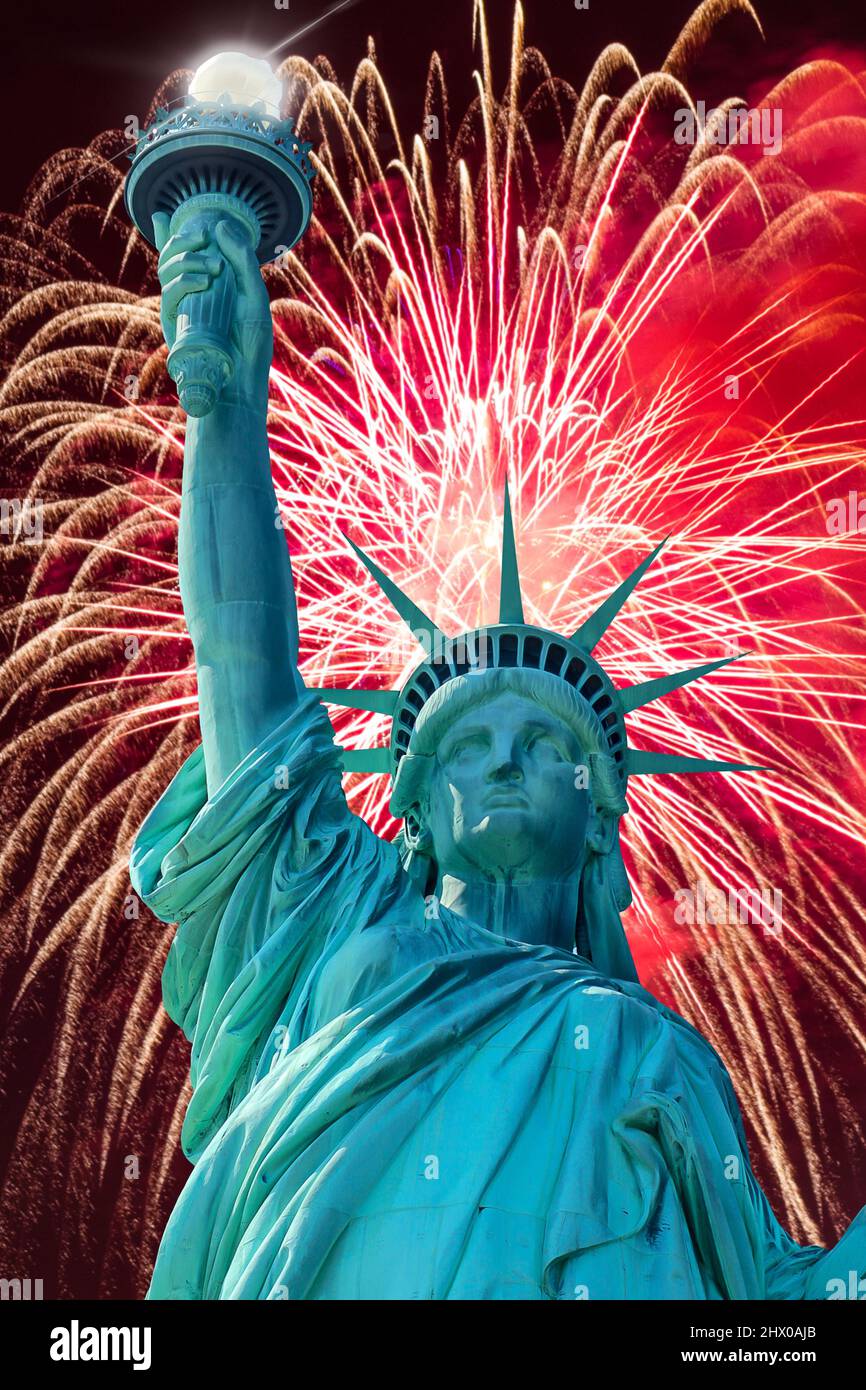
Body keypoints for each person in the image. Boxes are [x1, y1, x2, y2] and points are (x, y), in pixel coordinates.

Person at [131, 211, 866, 1300]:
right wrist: (229, 410)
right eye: (468, 745)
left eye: (543, 744)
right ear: (414, 811)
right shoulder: (342, 918)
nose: (509, 760)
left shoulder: (655, 1056)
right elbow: (243, 654)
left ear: (602, 820)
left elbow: (772, 1307)